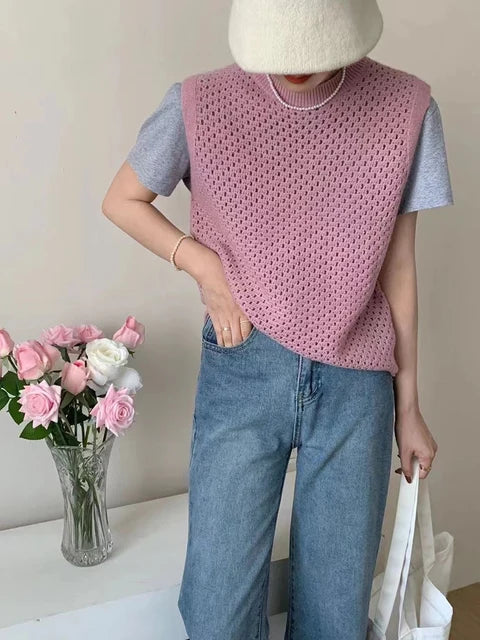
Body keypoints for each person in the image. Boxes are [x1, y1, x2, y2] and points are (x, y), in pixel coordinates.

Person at [102, 1, 454, 638]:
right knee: (217, 614)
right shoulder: (200, 102)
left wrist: (409, 408)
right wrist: (206, 267)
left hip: (357, 385)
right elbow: (123, 199)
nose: (295, 65)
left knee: (335, 621)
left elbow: (399, 266)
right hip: (244, 365)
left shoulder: (409, 109)